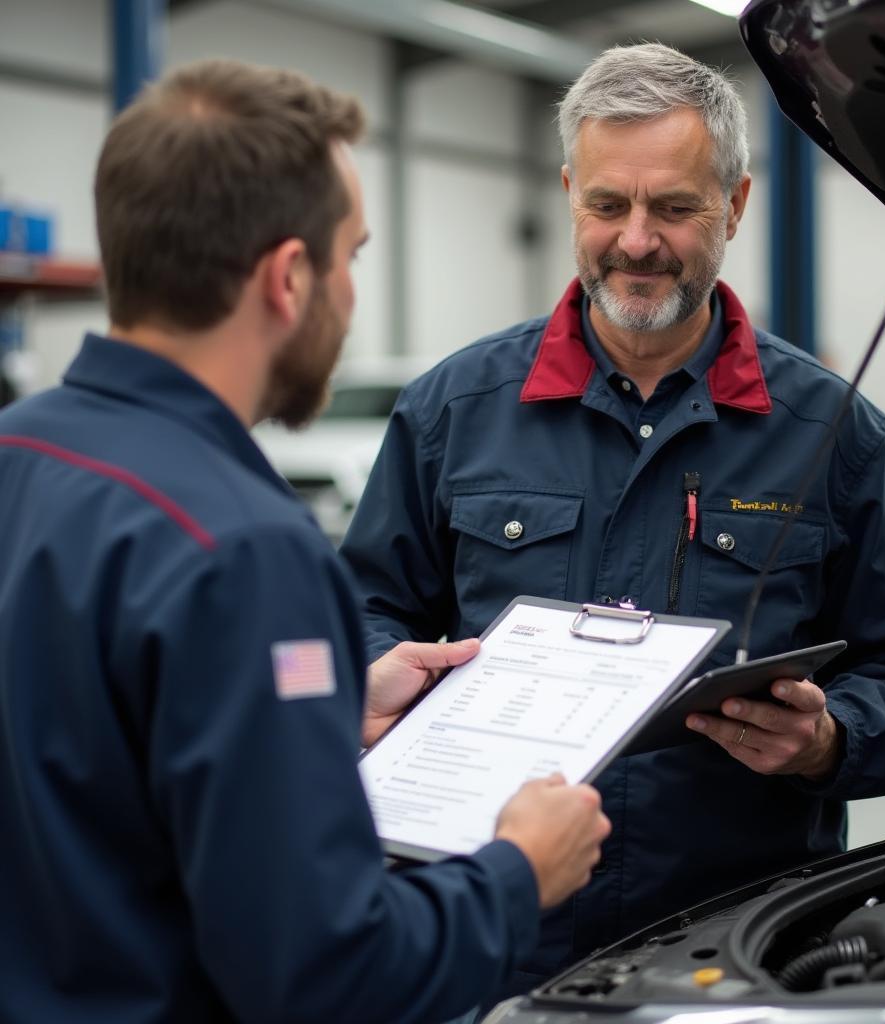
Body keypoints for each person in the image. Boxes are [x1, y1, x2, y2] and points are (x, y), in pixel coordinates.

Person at [341, 42, 885, 1002]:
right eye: (607, 205)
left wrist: (831, 737)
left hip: (739, 946)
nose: (636, 240)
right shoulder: (451, 414)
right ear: (568, 196)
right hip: (489, 935)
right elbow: (365, 614)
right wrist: (380, 682)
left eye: (674, 207)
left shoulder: (834, 435)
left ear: (736, 205)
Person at [0, 60, 612, 1024]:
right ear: (290, 276)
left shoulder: (20, 451)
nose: (350, 293)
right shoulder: (241, 548)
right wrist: (516, 874)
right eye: (351, 256)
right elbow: (324, 975)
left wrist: (317, 713)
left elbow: (85, 750)